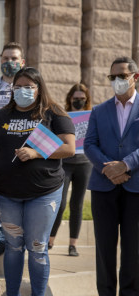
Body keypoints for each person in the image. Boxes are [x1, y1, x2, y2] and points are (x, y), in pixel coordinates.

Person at [0, 67, 75, 296]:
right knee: (12, 246)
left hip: (43, 193)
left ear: (39, 88)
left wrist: (36, 152)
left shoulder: (53, 114)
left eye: (29, 86)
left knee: (37, 246)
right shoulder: (1, 116)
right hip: (6, 193)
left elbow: (69, 148)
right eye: (18, 86)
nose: (23, 90)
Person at [84, 57, 139, 296]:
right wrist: (110, 169)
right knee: (104, 241)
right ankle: (105, 293)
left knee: (133, 241)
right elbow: (90, 145)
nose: (116, 81)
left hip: (135, 184)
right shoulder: (99, 110)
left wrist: (125, 165)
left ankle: (130, 293)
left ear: (134, 77)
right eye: (112, 77)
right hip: (104, 184)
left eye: (121, 76)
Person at [49, 83, 93, 256]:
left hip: (84, 163)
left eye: (82, 99)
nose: (79, 101)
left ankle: (72, 244)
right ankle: (51, 239)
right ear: (70, 99)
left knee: (77, 204)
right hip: (65, 162)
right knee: (59, 204)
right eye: (76, 99)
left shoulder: (92, 115)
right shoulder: (63, 115)